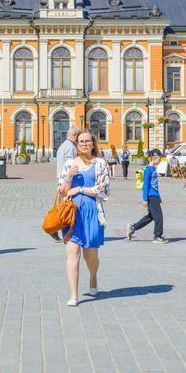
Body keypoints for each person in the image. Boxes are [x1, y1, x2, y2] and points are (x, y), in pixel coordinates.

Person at [58, 129, 111, 306]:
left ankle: (93, 276)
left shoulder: (100, 163)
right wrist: (68, 177)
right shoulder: (70, 164)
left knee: (91, 255)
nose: (84, 144)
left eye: (87, 141)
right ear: (76, 144)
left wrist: (80, 189)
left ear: (93, 143)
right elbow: (62, 191)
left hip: (92, 211)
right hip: (72, 213)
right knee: (73, 253)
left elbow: (103, 190)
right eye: (81, 141)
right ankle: (73, 295)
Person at [126, 148, 166, 243]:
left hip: (154, 196)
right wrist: (144, 199)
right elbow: (146, 185)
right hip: (151, 196)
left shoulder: (153, 169)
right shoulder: (148, 170)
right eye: (160, 158)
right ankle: (157, 236)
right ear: (154, 157)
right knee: (159, 216)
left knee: (151, 216)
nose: (161, 160)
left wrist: (158, 196)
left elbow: (155, 185)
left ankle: (133, 227)